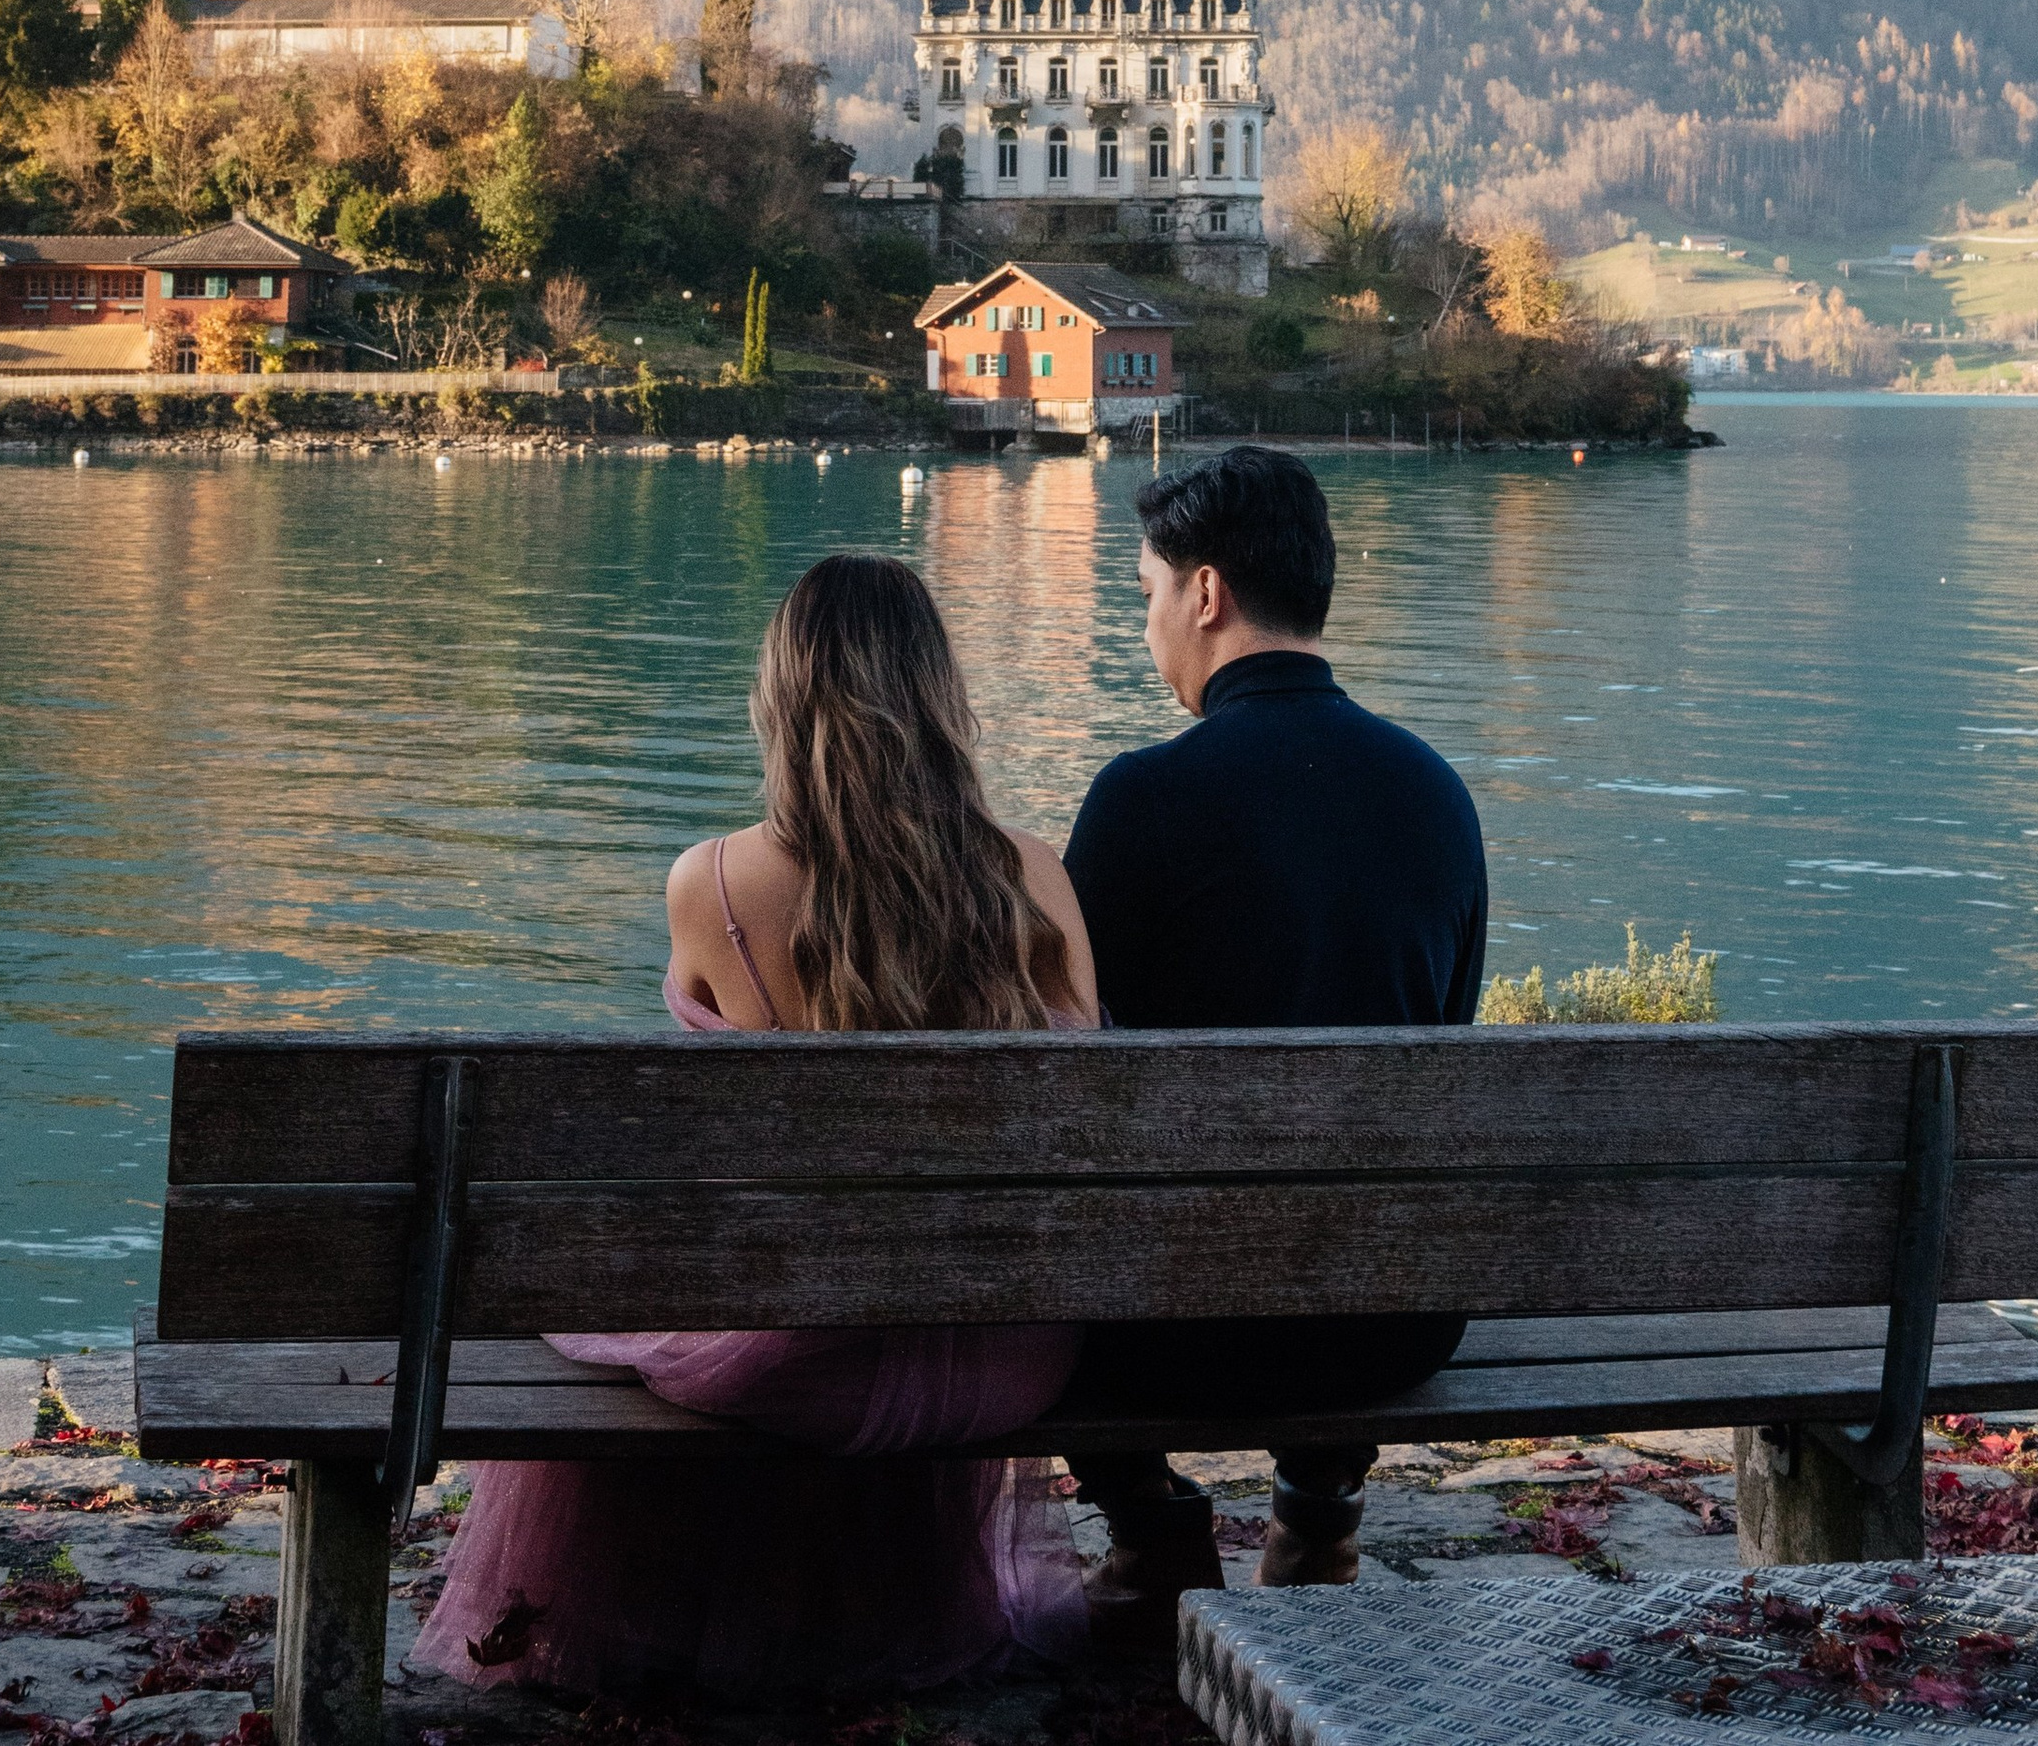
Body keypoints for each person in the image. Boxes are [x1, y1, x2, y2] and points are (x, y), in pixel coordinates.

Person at [413, 551, 1099, 1703]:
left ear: (782, 697)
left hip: (811, 1358)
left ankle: (669, 1611)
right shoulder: (1033, 873)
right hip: (1007, 1353)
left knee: (614, 1296)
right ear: (942, 693)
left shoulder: (714, 883)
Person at [1059, 444, 1487, 1646]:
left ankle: (1150, 1527)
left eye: (1145, 594)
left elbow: (1075, 1082)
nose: (1147, 628)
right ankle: (1318, 1513)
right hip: (1392, 1322)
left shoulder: (1143, 798)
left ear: (1204, 593)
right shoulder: (1435, 793)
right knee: (1356, 1177)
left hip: (1172, 1337)